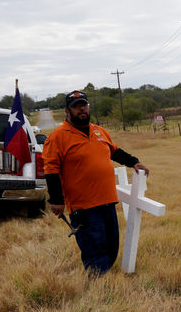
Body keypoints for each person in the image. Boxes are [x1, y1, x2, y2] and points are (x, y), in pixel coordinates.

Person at [43, 90, 150, 275]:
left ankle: (104, 281)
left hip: (107, 201)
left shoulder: (99, 131)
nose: (81, 110)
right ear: (67, 111)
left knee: (111, 245)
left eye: (84, 105)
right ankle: (98, 290)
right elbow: (51, 170)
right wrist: (56, 200)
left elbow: (115, 151)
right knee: (95, 250)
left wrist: (134, 161)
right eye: (76, 107)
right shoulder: (58, 137)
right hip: (83, 206)